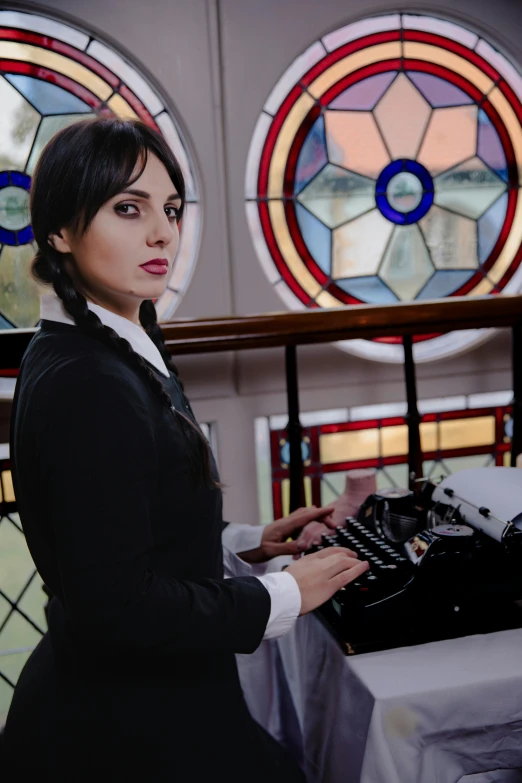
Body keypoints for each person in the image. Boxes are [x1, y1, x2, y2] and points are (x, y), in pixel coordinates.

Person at [2, 118, 369, 781]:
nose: (162, 231)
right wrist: (281, 595)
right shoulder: (90, 380)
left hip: (146, 701)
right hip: (124, 731)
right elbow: (118, 605)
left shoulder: (111, 337)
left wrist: (247, 539)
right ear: (59, 231)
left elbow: (120, 524)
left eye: (170, 209)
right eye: (127, 208)